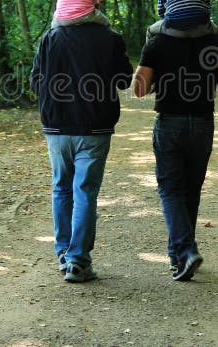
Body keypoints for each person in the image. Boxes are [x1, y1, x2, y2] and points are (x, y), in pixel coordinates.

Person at [30, 21, 132, 282]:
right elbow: (123, 80)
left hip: (56, 126)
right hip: (95, 127)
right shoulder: (110, 37)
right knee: (84, 190)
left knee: (61, 188)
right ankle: (78, 260)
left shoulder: (50, 38)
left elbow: (34, 82)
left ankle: (64, 255)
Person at [132, 29, 218, 281]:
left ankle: (186, 249)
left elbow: (138, 89)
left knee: (170, 189)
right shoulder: (213, 42)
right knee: (191, 189)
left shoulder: (157, 42)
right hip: (202, 124)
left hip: (170, 124)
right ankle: (179, 257)